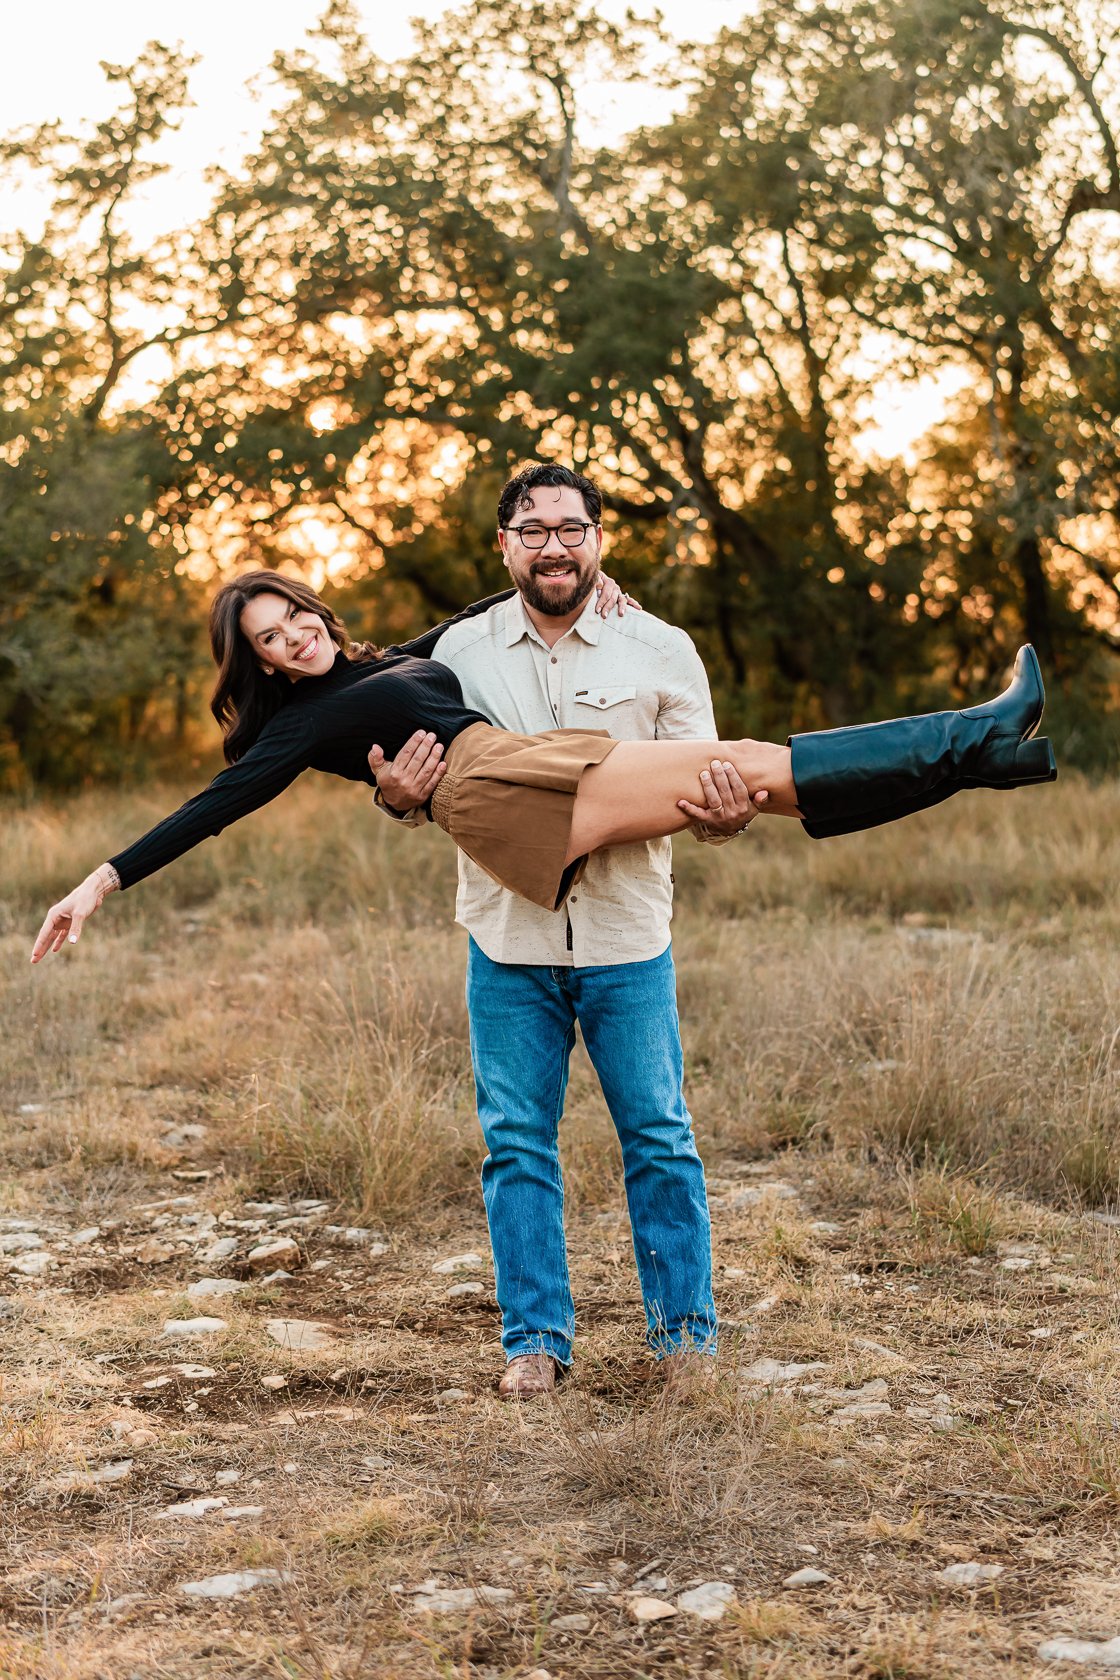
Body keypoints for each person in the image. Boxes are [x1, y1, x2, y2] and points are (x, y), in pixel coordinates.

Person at [30, 533, 1055, 970]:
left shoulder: (388, 663)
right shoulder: (302, 722)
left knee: (762, 788)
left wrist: (592, 582)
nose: (290, 639)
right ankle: (981, 729)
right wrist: (99, 885)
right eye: (268, 642)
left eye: (292, 616)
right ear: (263, 667)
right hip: (498, 784)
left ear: (313, 607)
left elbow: (485, 604)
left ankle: (984, 759)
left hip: (517, 770)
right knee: (740, 762)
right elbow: (210, 808)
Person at [367, 462, 757, 1396]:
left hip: (627, 937)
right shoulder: (455, 654)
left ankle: (685, 1340)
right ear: (504, 545)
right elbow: (423, 782)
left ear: (598, 540)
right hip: (508, 941)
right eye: (532, 530)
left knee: (659, 1136)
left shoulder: (659, 648)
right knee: (515, 1142)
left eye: (570, 528)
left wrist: (726, 811)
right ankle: (534, 1340)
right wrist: (397, 800)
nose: (554, 545)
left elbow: (703, 786)